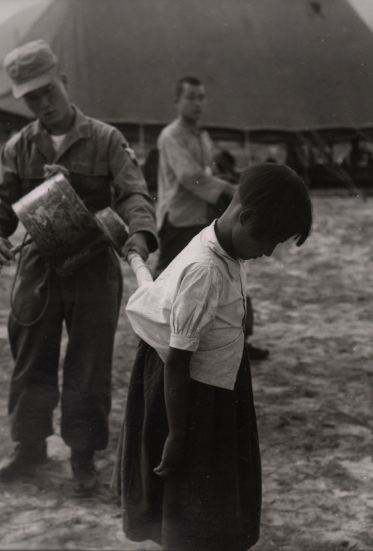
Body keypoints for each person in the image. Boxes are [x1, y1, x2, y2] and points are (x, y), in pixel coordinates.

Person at [0, 40, 158, 495]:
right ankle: (29, 446)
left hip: (93, 264)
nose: (42, 105)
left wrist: (139, 233)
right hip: (39, 265)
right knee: (31, 356)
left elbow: (134, 194)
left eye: (47, 92)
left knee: (89, 362)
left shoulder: (105, 139)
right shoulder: (20, 147)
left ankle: (83, 454)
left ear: (63, 81)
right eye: (31, 98)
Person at [116, 163, 313, 550]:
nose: (269, 252)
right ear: (246, 217)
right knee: (191, 493)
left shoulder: (223, 245)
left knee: (212, 492)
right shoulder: (205, 270)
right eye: (269, 241)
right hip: (191, 396)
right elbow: (177, 359)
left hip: (217, 383)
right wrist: (175, 433)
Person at [155, 76, 269, 360]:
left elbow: (210, 173)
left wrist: (237, 180)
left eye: (201, 97)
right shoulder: (171, 136)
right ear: (177, 101)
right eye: (191, 97)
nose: (197, 103)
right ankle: (156, 335)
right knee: (170, 279)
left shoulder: (201, 136)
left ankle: (236, 339)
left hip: (203, 216)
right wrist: (235, 191)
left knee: (226, 273)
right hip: (179, 219)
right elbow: (191, 177)